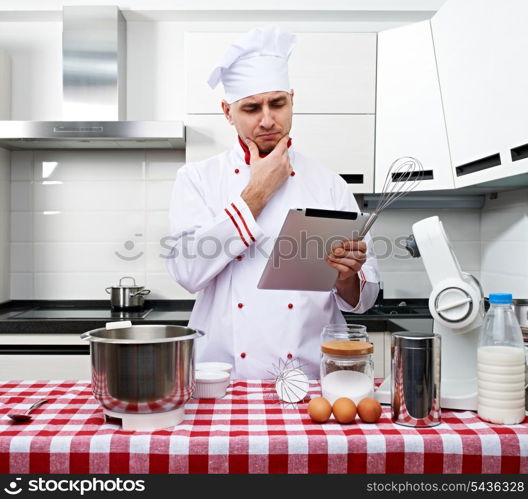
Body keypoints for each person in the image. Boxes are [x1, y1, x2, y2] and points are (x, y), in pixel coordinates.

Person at [167, 25, 379, 378]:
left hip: (311, 379)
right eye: (251, 108)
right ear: (227, 111)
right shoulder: (198, 179)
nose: (267, 120)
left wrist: (347, 276)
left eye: (277, 104)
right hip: (225, 379)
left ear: (292, 100)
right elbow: (187, 273)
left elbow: (363, 298)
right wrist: (257, 193)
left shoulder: (329, 184)